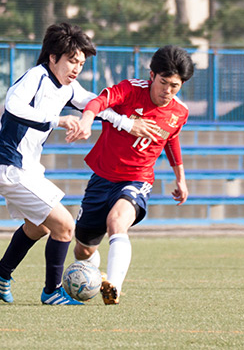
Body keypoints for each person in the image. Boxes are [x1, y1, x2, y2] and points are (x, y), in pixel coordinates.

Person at [0, 22, 139, 306]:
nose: (76, 68)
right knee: (65, 226)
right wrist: (58, 120)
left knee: (40, 226)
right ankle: (52, 291)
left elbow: (95, 104)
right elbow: (13, 106)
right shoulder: (36, 76)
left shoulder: (68, 87)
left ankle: (1, 271)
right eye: (71, 61)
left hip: (28, 168)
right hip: (10, 166)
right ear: (53, 57)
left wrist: (128, 123)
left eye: (80, 62)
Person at [68, 45, 194, 305]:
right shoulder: (130, 89)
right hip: (102, 177)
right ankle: (94, 275)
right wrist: (87, 118)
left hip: (138, 178)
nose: (168, 91)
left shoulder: (179, 112)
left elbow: (171, 139)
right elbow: (99, 101)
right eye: (163, 83)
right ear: (152, 75)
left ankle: (113, 286)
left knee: (117, 222)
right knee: (82, 249)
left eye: (175, 86)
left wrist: (180, 177)